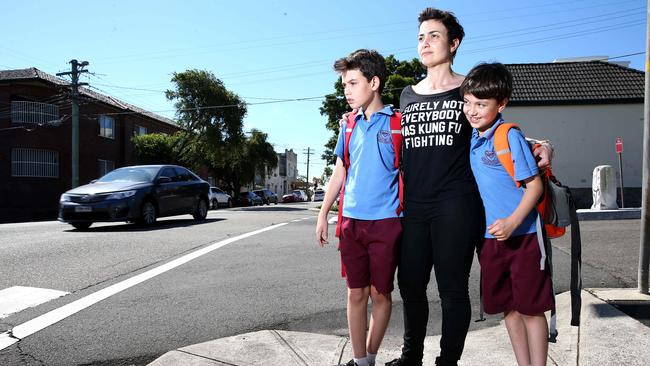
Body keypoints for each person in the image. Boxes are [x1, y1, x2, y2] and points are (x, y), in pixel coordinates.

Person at [386, 8, 552, 366]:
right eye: (420, 37)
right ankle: (410, 356)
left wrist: (543, 144)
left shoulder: (468, 90)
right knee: (410, 285)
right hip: (414, 205)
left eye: (434, 36)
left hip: (456, 204)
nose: (425, 43)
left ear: (454, 43)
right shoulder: (406, 95)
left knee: (452, 290)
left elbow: (496, 131)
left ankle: (448, 361)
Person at [461, 62, 553, 366]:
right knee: (509, 309)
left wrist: (513, 222)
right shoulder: (473, 138)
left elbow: (535, 186)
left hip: (524, 236)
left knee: (530, 308)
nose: (472, 110)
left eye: (481, 104)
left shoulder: (508, 135)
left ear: (501, 104)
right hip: (490, 239)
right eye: (468, 103)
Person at [316, 49, 403, 366]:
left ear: (375, 82)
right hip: (351, 222)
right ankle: (360, 362)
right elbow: (340, 170)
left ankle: (372, 354)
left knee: (381, 294)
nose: (347, 91)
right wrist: (324, 213)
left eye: (353, 83)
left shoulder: (398, 124)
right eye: (344, 85)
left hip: (387, 223)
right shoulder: (348, 125)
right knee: (355, 293)